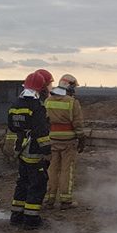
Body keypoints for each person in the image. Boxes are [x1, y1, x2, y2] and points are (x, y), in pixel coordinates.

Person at [8, 70, 54, 229]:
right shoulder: (37, 107)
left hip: (21, 150)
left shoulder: (15, 105)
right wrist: (47, 152)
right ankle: (31, 220)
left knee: (22, 183)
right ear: (40, 88)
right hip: (34, 151)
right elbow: (42, 133)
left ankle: (16, 216)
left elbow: (11, 126)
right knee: (38, 184)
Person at [43, 73, 85, 210]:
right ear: (69, 86)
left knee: (52, 169)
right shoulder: (72, 102)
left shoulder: (48, 101)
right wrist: (81, 138)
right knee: (67, 170)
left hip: (52, 140)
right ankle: (66, 200)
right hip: (68, 141)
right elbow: (78, 123)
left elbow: (45, 121)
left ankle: (49, 199)